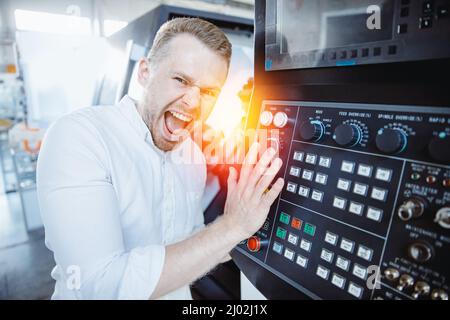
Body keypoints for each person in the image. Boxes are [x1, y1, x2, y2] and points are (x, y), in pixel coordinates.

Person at [36, 17, 284, 300]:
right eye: (181, 80)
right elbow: (100, 286)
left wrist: (248, 232)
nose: (192, 102)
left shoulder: (191, 155)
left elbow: (189, 245)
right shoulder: (81, 137)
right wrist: (231, 227)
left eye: (208, 92)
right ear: (144, 72)